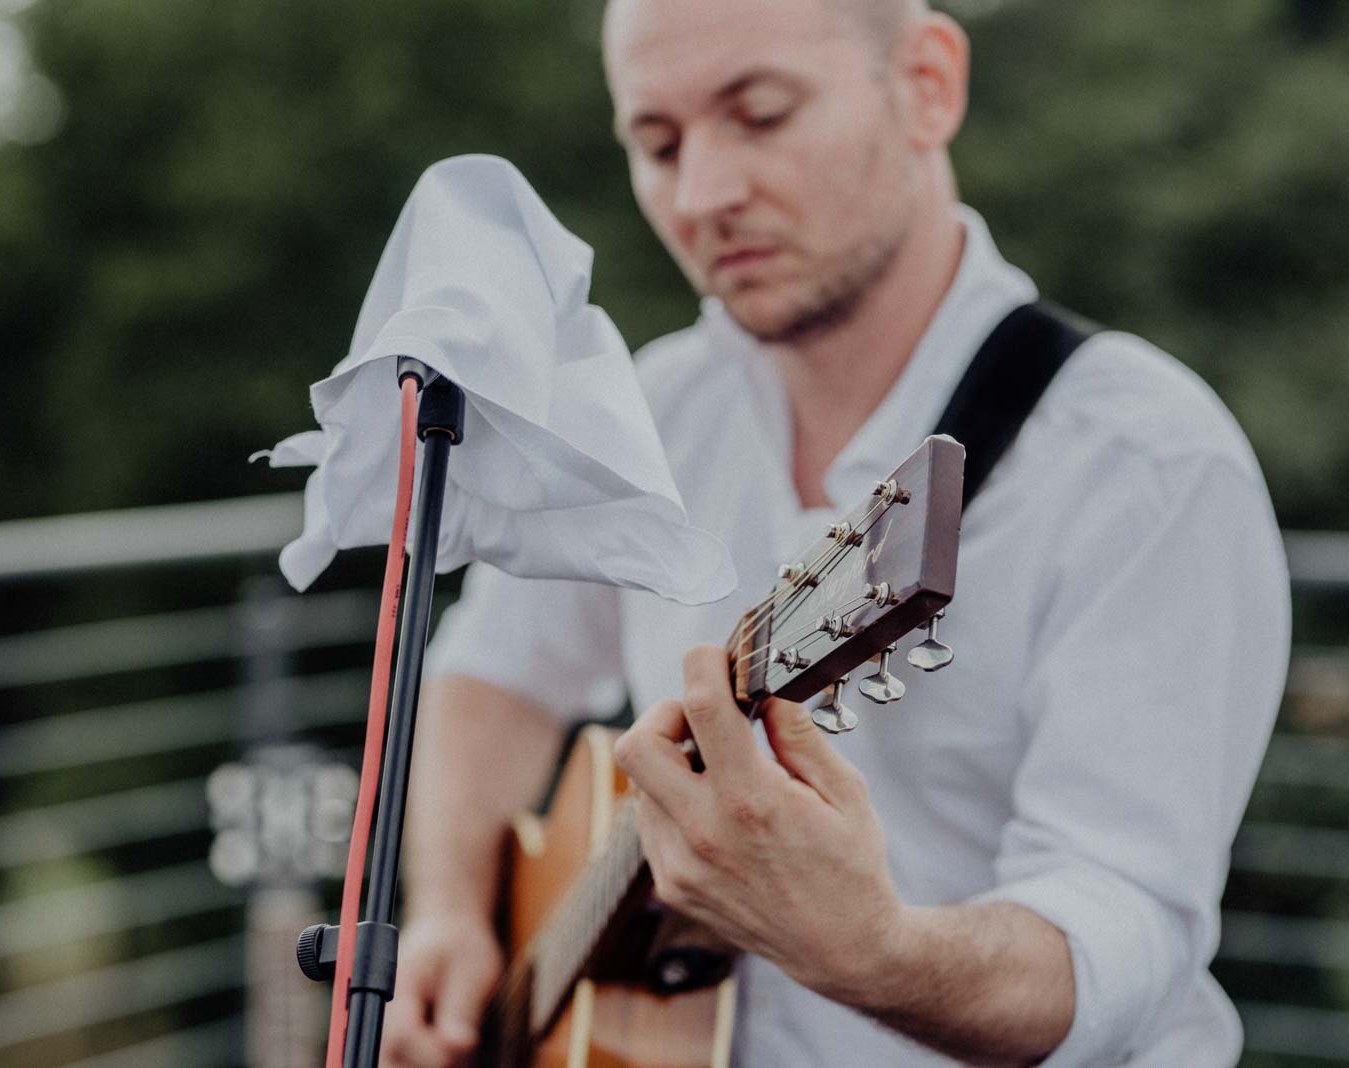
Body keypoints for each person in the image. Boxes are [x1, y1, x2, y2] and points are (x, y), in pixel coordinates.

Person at [381, 0, 1291, 1064]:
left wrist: (875, 953)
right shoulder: (648, 414)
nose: (703, 194)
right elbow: (494, 669)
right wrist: (447, 908)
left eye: (761, 115)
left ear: (927, 85)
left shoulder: (1147, 463)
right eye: (658, 144)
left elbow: (1122, 932)